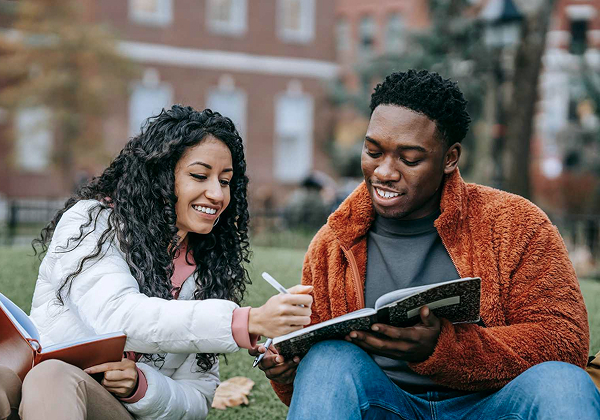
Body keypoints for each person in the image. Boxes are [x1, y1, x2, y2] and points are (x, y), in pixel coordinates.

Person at [252, 70, 600, 419]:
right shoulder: (333, 243)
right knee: (327, 359)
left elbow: (564, 341)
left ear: (450, 158)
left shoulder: (516, 225)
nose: (384, 171)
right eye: (373, 151)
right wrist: (286, 370)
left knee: (564, 383)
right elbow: (322, 388)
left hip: (492, 406)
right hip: (386, 405)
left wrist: (445, 350)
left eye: (410, 158)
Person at [0, 105, 313, 420]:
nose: (217, 194)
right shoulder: (92, 223)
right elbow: (119, 315)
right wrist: (245, 322)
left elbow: (196, 398)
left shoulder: (209, 269)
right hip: (34, 389)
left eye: (226, 181)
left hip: (107, 407)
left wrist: (141, 386)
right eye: (200, 176)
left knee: (52, 375)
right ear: (160, 175)